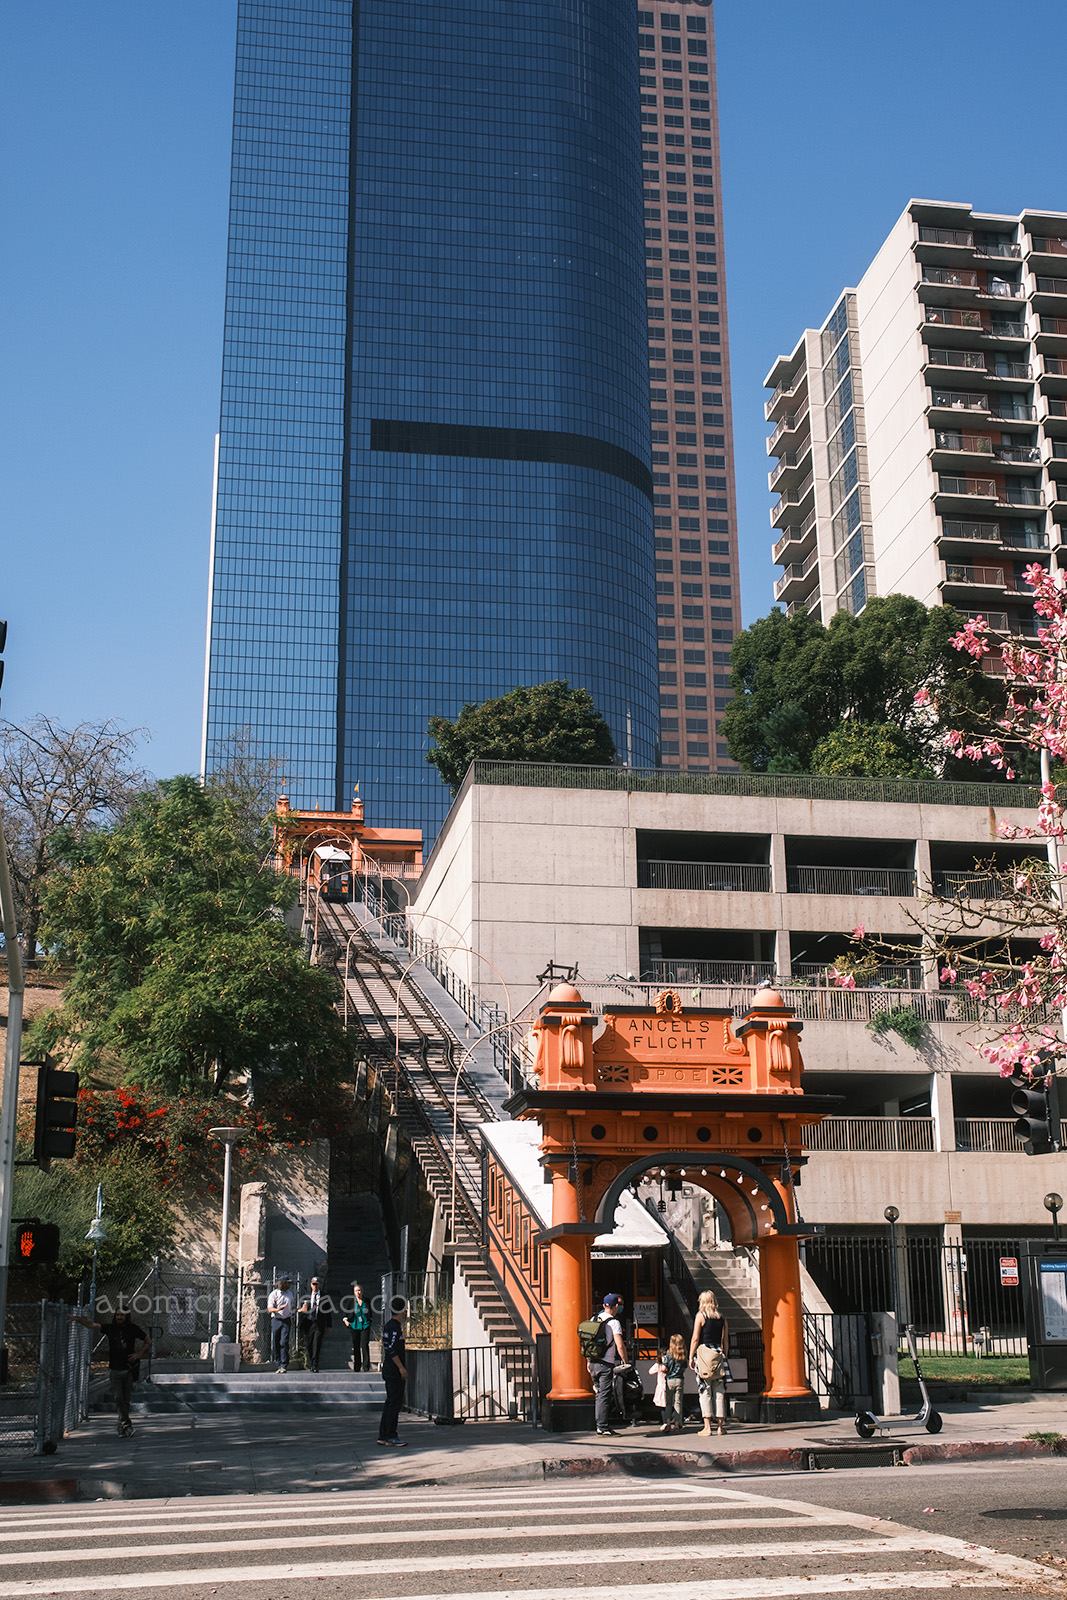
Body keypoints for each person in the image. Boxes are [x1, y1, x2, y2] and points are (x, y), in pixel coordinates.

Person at [69, 1304, 150, 1437]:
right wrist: (77, 1320)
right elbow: (92, 1325)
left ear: (126, 1316)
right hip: (115, 1370)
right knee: (118, 1398)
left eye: (122, 1315)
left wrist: (139, 1354)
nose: (119, 1317)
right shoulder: (110, 1328)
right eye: (117, 1315)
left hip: (129, 1369)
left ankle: (121, 1427)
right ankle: (127, 1425)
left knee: (125, 1400)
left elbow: (148, 1340)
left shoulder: (133, 1329)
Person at [689, 1288, 729, 1437]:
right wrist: (724, 1354)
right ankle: (720, 1426)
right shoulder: (722, 1317)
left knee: (704, 1390)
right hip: (718, 1354)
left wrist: (691, 1356)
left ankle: (707, 1427)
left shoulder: (701, 1316)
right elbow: (725, 1339)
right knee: (719, 1392)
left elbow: (695, 1338)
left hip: (704, 1355)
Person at [587, 1292, 627, 1437]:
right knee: (604, 1395)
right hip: (606, 1364)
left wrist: (588, 1361)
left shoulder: (593, 1319)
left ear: (604, 1305)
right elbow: (620, 1345)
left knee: (599, 1394)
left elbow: (589, 1343)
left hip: (593, 1363)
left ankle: (599, 1424)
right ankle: (602, 1427)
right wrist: (625, 1361)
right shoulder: (614, 1322)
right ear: (616, 1306)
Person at [377, 1298, 408, 1447]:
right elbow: (390, 1349)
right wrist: (401, 1367)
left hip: (390, 1369)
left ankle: (383, 1434)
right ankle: (391, 1435)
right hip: (393, 1370)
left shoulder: (391, 1326)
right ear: (402, 1311)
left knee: (390, 1401)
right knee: (394, 1402)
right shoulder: (394, 1327)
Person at [651, 1334, 688, 1434]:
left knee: (668, 1404)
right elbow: (685, 1368)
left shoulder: (668, 1357)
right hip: (679, 1380)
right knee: (678, 1403)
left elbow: (663, 1368)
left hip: (669, 1380)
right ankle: (677, 1424)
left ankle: (667, 1424)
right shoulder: (683, 1356)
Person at [297, 1276, 332, 1373]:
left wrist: (329, 1326)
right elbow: (301, 1309)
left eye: (317, 1284)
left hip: (319, 1322)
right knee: (309, 1344)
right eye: (313, 1284)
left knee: (317, 1343)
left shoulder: (325, 1296)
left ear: (319, 1285)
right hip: (309, 1322)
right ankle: (311, 1360)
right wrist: (302, 1310)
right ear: (311, 1285)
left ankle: (315, 1364)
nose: (315, 1286)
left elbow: (328, 1312)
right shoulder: (307, 1296)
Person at [267, 1277, 295, 1373]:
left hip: (286, 1320)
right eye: (288, 1283)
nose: (289, 1285)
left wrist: (299, 1310)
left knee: (284, 1341)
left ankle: (284, 1364)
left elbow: (291, 1307)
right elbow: (270, 1308)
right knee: (276, 1342)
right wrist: (278, 1309)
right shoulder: (274, 1294)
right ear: (283, 1284)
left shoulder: (290, 1294)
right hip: (276, 1320)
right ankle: (278, 1363)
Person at [344, 1282, 372, 1372]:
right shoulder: (351, 1301)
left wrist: (369, 1320)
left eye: (359, 1290)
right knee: (356, 1345)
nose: (358, 1292)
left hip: (365, 1325)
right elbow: (346, 1313)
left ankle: (366, 1366)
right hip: (354, 1325)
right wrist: (346, 1320)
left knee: (364, 1344)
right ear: (354, 1292)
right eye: (356, 1291)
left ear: (362, 1291)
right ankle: (357, 1366)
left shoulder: (366, 1301)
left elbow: (370, 1312)